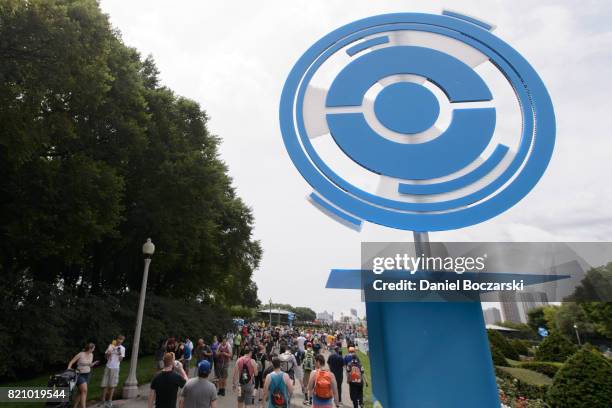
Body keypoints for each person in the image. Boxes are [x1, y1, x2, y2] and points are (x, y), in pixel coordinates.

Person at [67, 343, 99, 408]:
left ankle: (74, 407)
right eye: (93, 348)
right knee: (84, 391)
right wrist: (68, 369)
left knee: (80, 392)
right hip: (79, 374)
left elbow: (89, 365)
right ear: (90, 348)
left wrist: (94, 363)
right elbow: (71, 362)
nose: (94, 350)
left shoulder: (91, 355)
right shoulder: (81, 354)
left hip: (87, 375)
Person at [101, 335, 125, 408]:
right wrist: (109, 352)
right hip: (108, 366)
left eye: (121, 340)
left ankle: (110, 401)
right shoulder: (111, 345)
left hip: (115, 368)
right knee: (105, 384)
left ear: (123, 341)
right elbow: (105, 357)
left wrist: (119, 352)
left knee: (112, 385)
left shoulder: (122, 348)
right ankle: (103, 400)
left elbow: (121, 360)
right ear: (116, 339)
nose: (120, 341)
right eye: (119, 339)